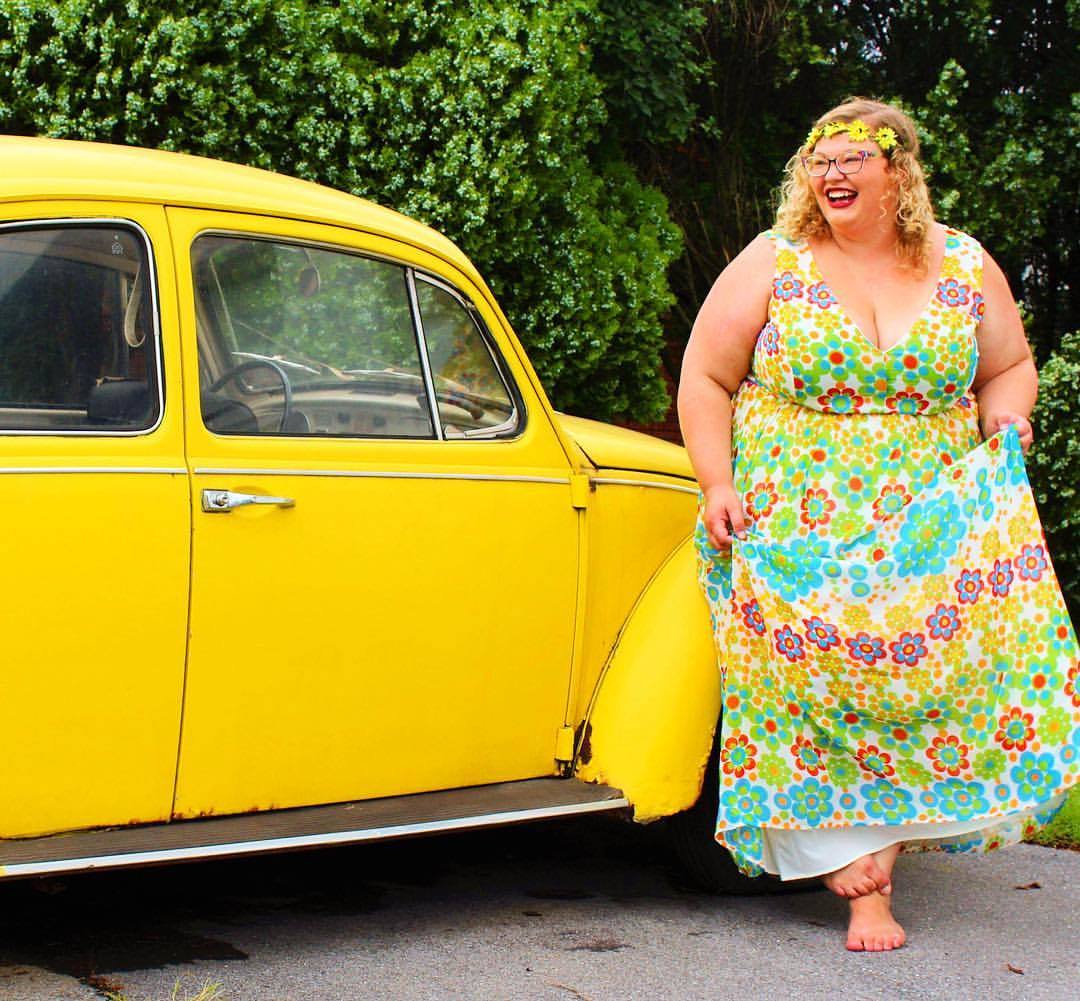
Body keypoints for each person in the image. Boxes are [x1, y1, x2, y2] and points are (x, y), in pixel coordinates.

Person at [678, 98, 1080, 952]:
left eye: (852, 158)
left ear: (898, 172)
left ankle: (875, 858)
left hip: (930, 525)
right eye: (819, 160)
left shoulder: (964, 262)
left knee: (914, 685)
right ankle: (854, 871)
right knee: (818, 685)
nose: (831, 174)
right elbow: (705, 376)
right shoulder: (773, 260)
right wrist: (716, 481)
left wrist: (1007, 418)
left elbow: (1009, 366)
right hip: (797, 526)